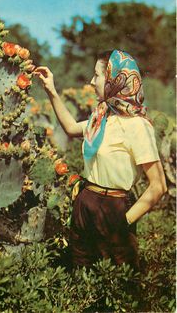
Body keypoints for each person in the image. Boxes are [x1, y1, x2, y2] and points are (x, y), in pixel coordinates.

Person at [33, 49, 167, 271]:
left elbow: (158, 186)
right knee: (80, 277)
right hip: (85, 204)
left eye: (97, 75)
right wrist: (51, 91)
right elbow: (70, 128)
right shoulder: (101, 118)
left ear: (115, 80)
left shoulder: (138, 126)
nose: (91, 82)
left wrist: (124, 222)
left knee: (117, 283)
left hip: (113, 208)